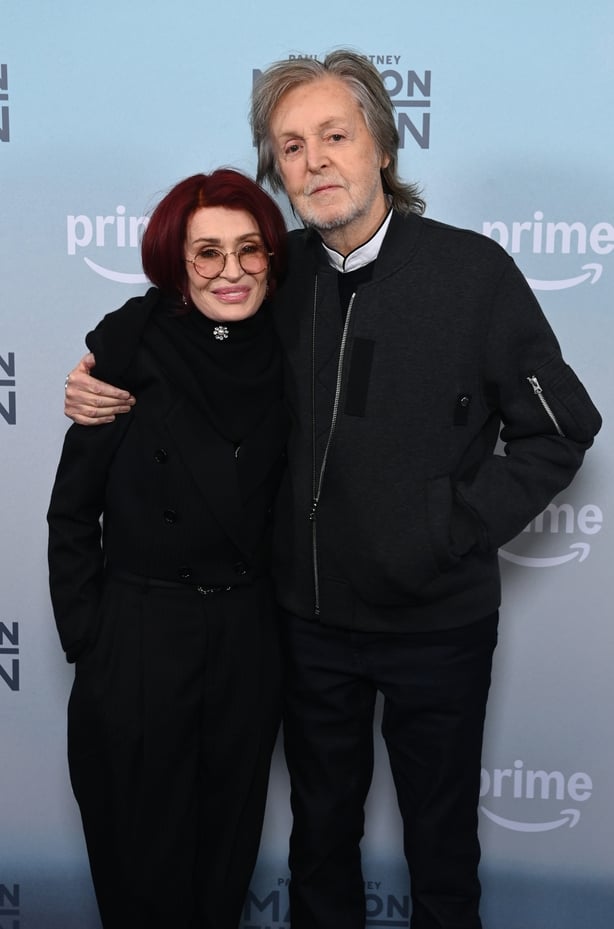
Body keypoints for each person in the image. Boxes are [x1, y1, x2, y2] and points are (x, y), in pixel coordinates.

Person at [62, 51, 602, 929]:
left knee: (441, 860)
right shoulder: (281, 279)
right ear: (278, 171)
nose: (315, 160)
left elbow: (563, 425)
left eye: (335, 136)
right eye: (292, 146)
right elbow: (177, 317)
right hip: (308, 629)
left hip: (438, 627)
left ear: (382, 146)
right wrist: (96, 368)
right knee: (319, 849)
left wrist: (448, 526)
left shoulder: (475, 274)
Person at [48, 169, 288, 929]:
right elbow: (71, 511)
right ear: (176, 262)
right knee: (141, 870)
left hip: (247, 641)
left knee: (223, 866)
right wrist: (94, 636)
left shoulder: (294, 347)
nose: (231, 271)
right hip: (141, 639)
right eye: (207, 252)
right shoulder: (126, 349)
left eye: (249, 250)